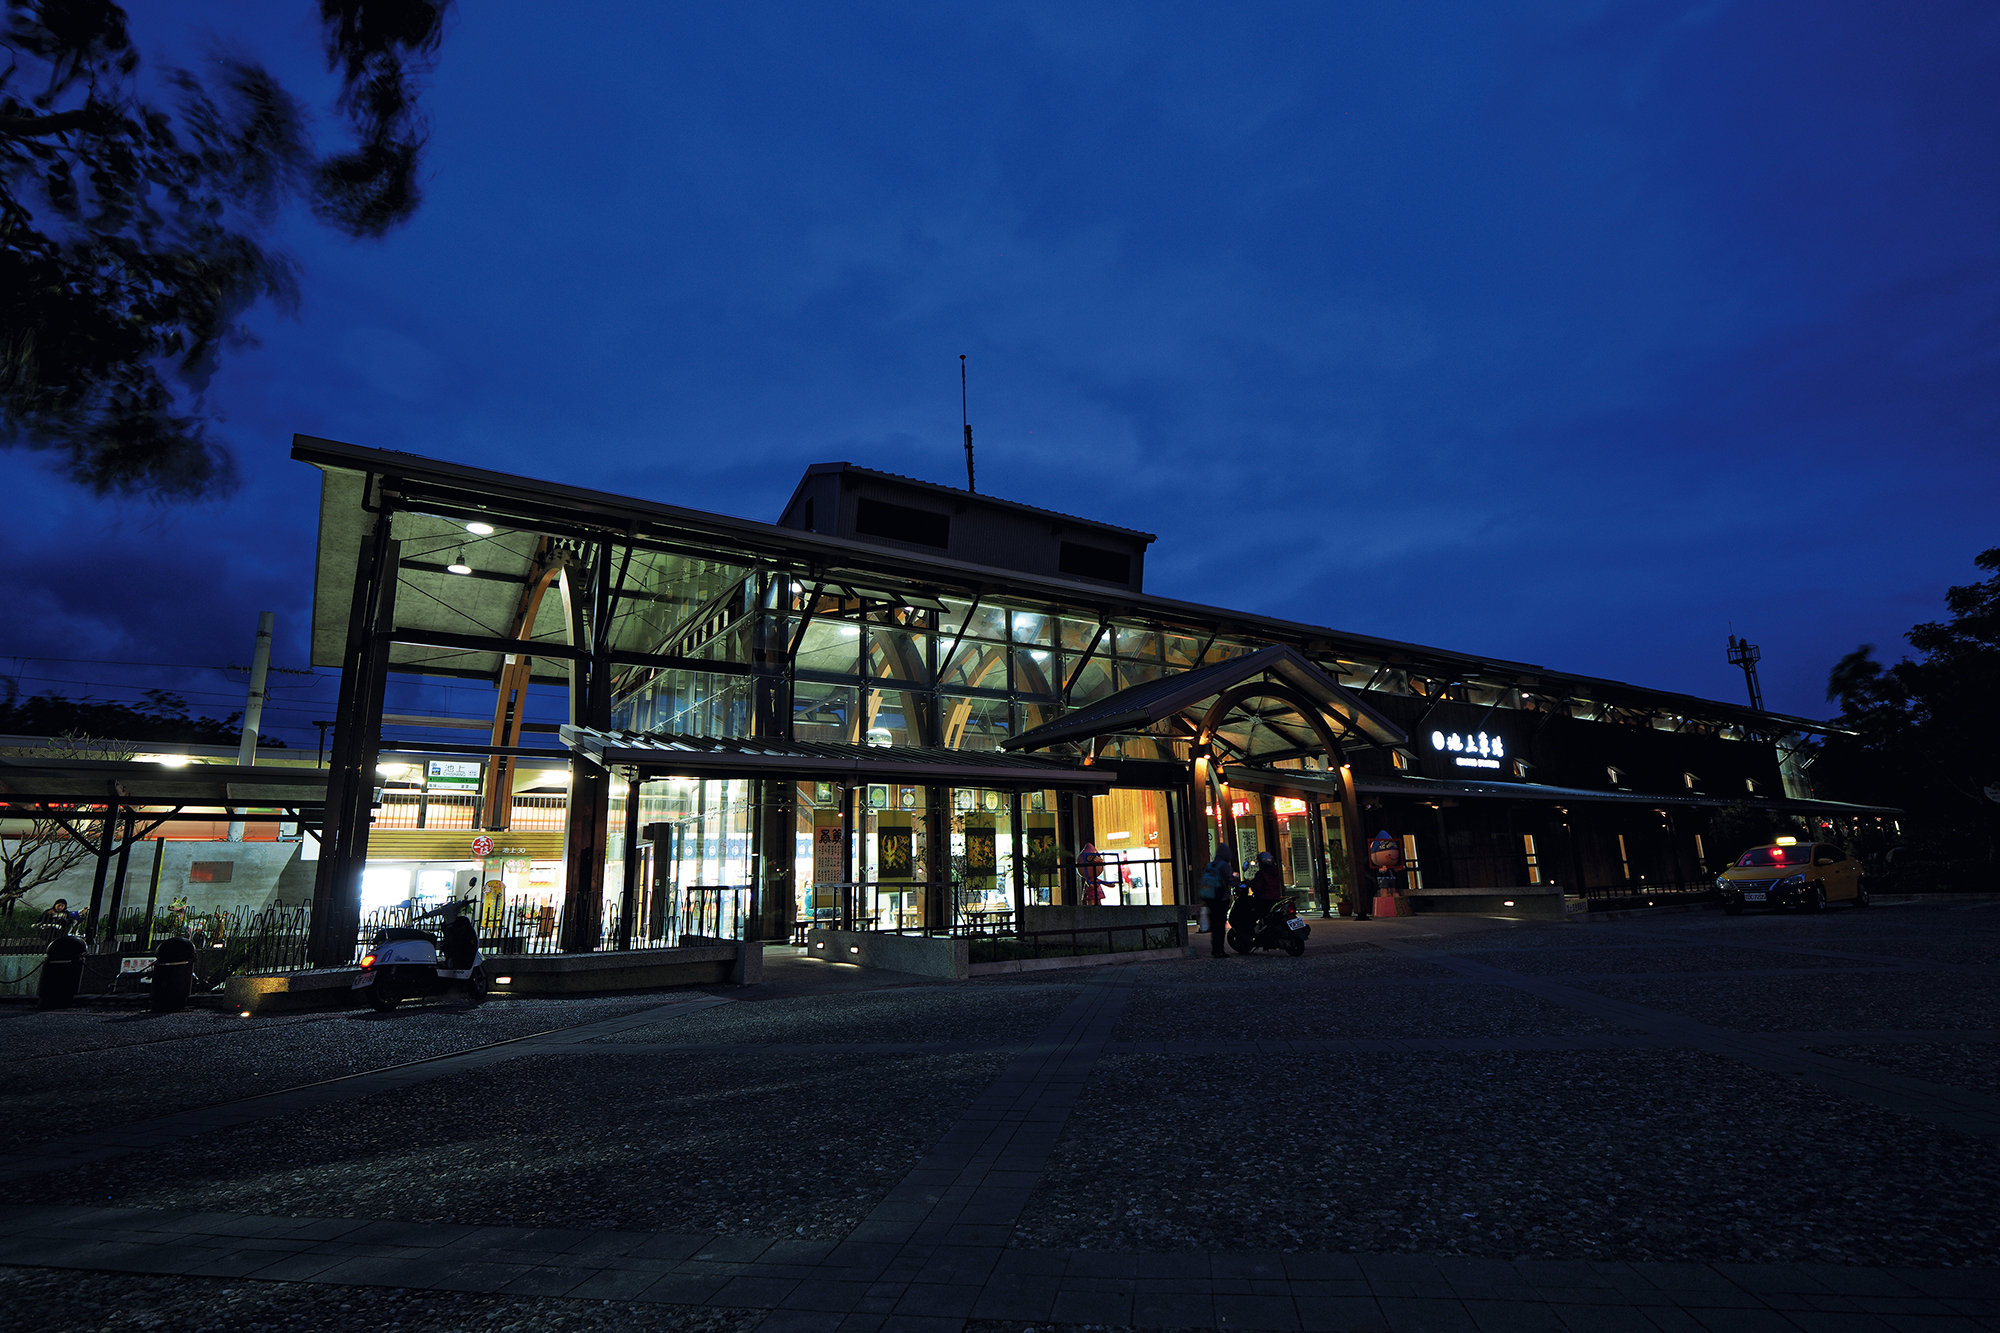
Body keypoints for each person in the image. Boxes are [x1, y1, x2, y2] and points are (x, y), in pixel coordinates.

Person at [1204, 846, 1240, 958]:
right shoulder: (1224, 866)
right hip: (1221, 898)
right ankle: (1219, 949)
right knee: (1220, 925)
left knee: (1215, 925)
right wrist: (1238, 883)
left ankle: (1215, 948)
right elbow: (1229, 881)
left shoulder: (1210, 865)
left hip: (1210, 898)